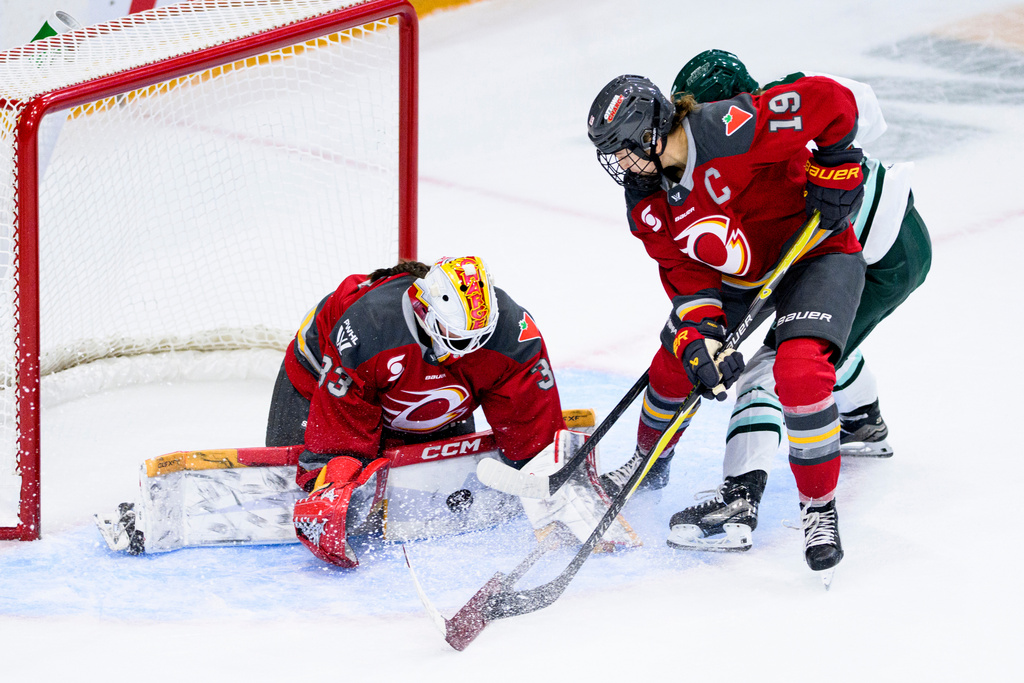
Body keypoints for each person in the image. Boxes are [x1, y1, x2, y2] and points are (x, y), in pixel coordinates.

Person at [587, 70, 872, 573]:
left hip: (817, 252)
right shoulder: (647, 199)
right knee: (677, 361)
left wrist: (838, 165)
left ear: (652, 130)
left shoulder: (730, 126)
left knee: (801, 375)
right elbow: (685, 270)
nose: (619, 164)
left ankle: (819, 509)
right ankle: (648, 461)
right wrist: (702, 339)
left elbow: (831, 100)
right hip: (738, 275)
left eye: (624, 148)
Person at [661, 50, 931, 552]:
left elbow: (860, 106)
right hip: (878, 242)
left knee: (778, 366)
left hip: (881, 253)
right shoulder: (752, 135)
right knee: (821, 346)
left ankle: (741, 494)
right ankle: (864, 421)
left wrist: (836, 158)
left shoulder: (775, 112)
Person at [267, 256, 569, 566]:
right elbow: (339, 428)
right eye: (460, 337)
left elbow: (532, 426)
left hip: (434, 384)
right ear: (424, 312)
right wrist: (331, 480)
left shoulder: (512, 330)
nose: (472, 346)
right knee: (315, 480)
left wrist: (553, 481)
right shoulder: (369, 326)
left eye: (481, 337)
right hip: (320, 379)